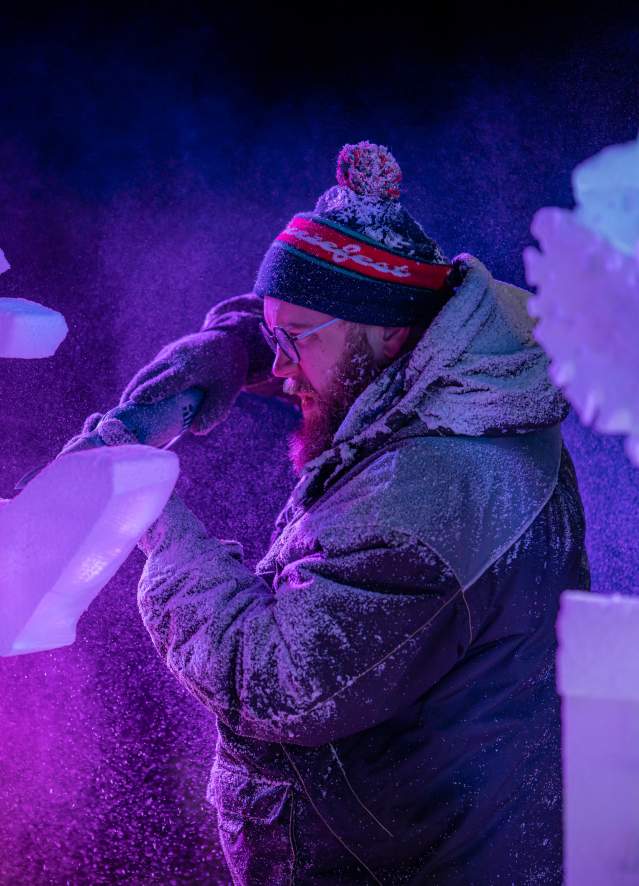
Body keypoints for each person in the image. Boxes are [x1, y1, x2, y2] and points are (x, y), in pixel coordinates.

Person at [88, 140, 591, 884]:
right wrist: (237, 347)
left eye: (292, 340)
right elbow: (338, 333)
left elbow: (273, 680)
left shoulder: (431, 497)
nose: (280, 364)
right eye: (273, 335)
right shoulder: (460, 379)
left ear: (391, 331)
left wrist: (157, 523)